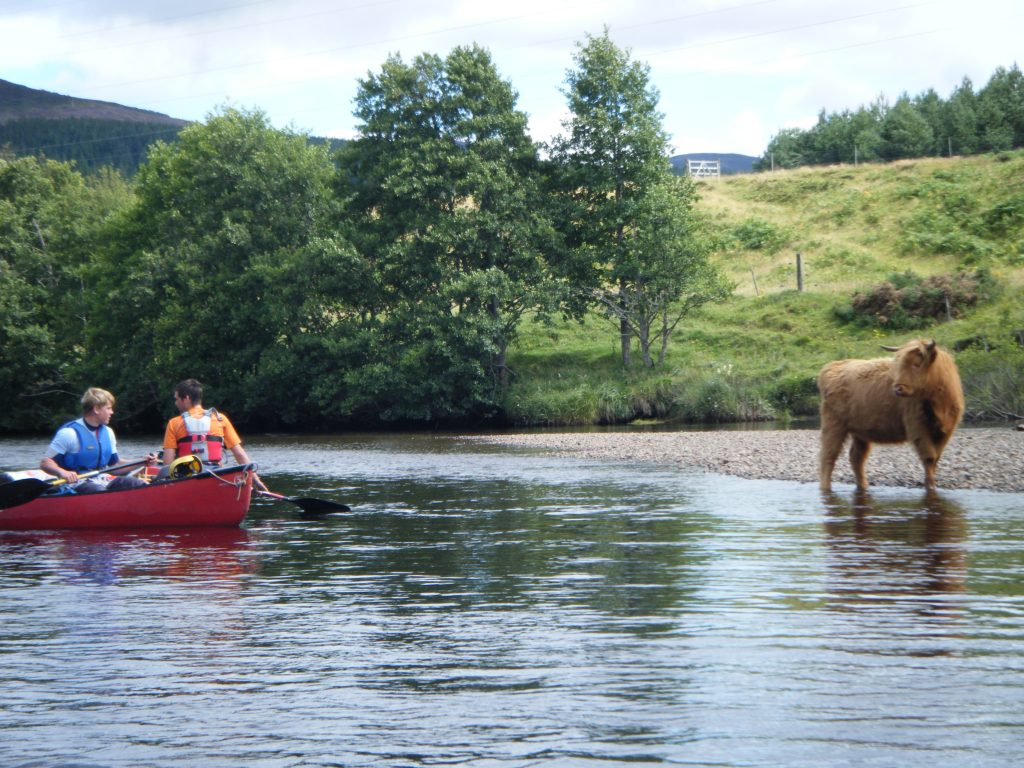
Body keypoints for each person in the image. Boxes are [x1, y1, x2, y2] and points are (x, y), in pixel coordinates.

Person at [40, 387, 157, 493]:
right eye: (109, 408)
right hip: (75, 483)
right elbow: (45, 463)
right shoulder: (69, 433)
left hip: (101, 478)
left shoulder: (108, 432)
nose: (112, 412)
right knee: (100, 491)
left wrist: (142, 461)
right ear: (96, 409)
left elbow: (115, 465)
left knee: (134, 483)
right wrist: (62, 472)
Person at [162, 378, 267, 490]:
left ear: (186, 398)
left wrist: (166, 484)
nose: (176, 403)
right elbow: (239, 454)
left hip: (187, 479)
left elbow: (168, 463)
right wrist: (256, 480)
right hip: (216, 476)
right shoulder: (220, 419)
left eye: (177, 399)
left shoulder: (174, 424)